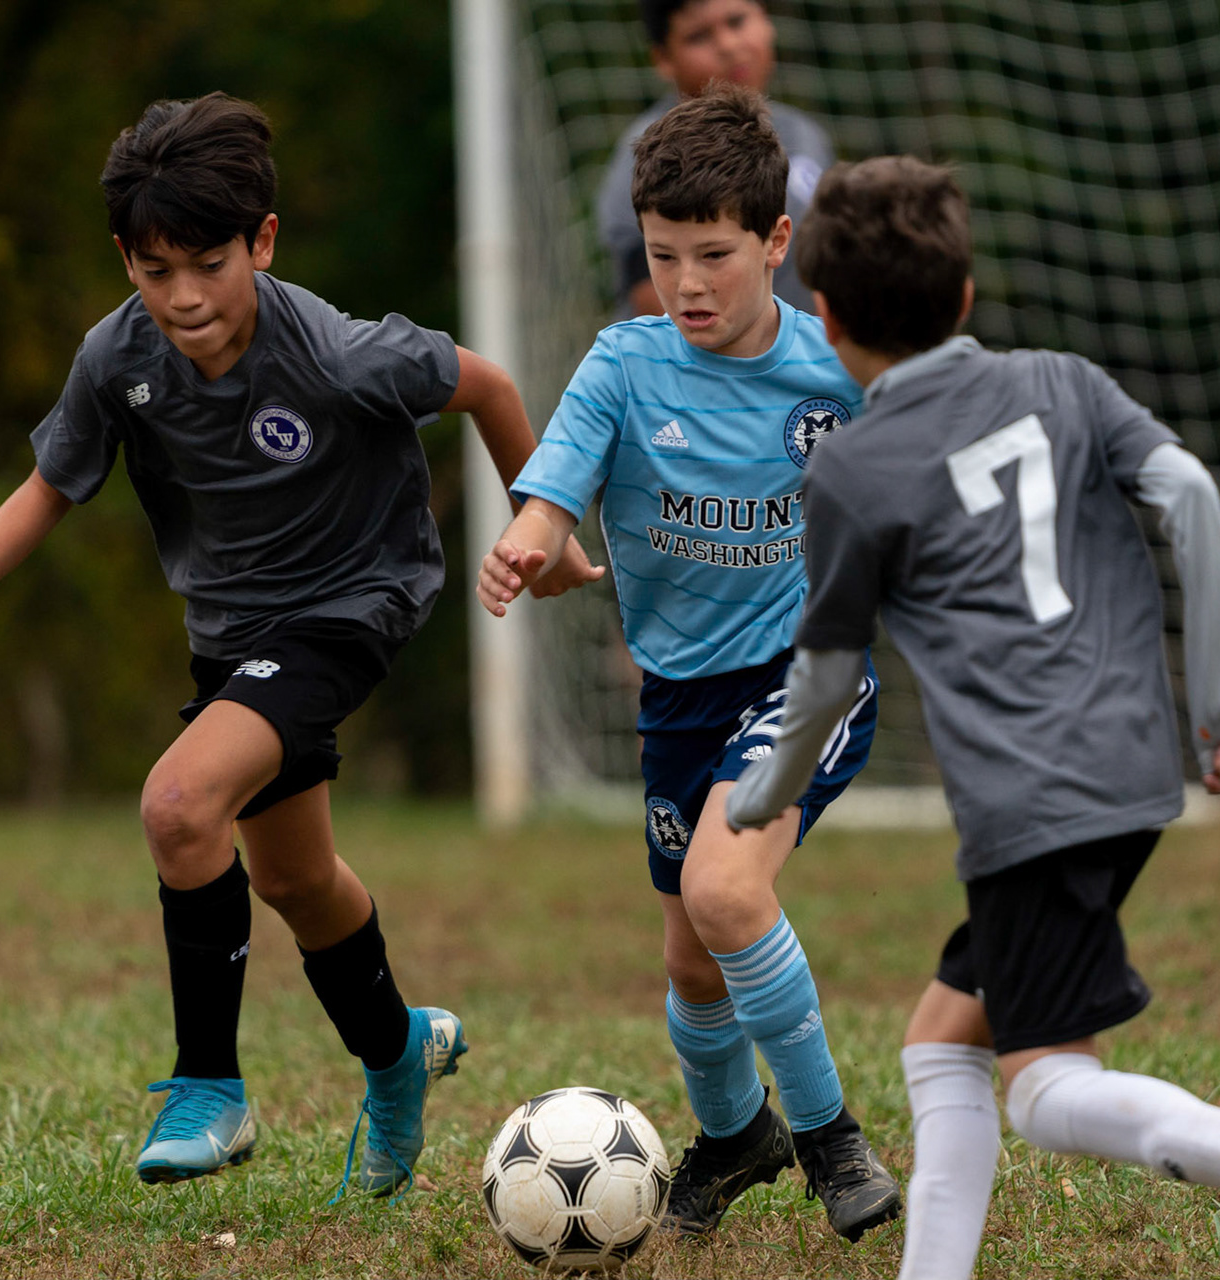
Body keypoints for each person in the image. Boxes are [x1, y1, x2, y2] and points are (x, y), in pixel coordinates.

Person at [0, 93, 598, 1196]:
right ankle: (399, 1048)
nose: (182, 296)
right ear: (125, 258)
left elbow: (491, 385)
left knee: (180, 804)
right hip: (233, 633)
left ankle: (209, 1086)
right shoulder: (117, 356)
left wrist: (539, 519)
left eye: (208, 263)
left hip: (351, 607)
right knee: (296, 876)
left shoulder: (338, 355)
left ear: (262, 242)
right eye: (153, 267)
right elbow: (50, 483)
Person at [726, 155, 1220, 1280]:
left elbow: (825, 676)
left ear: (824, 318)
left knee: (1044, 1087)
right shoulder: (1067, 381)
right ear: (967, 295)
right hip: (1128, 765)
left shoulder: (852, 467)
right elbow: (1189, 492)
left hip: (1029, 800)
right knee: (944, 1039)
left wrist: (761, 796)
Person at [479, 84, 903, 1244]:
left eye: (714, 254)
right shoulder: (623, 365)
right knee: (693, 954)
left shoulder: (839, 368)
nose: (689, 284)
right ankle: (737, 1134)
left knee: (725, 893)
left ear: (778, 243)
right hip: (680, 693)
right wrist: (527, 542)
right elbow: (552, 496)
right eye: (665, 256)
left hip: (812, 670)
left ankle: (829, 1141)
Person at [597, 0, 834, 319]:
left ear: (767, 22)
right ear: (664, 59)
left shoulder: (806, 136)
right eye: (699, 37)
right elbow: (649, 295)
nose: (728, 45)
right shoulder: (648, 152)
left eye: (737, 22)